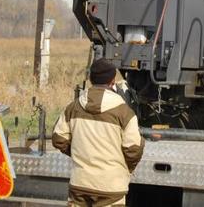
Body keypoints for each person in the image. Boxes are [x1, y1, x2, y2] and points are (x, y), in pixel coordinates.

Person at [53, 59, 145, 207]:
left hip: (80, 183)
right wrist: (125, 168)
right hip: (111, 188)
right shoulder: (125, 112)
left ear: (91, 79)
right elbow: (133, 149)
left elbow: (58, 139)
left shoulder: (73, 107)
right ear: (113, 80)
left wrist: (78, 153)